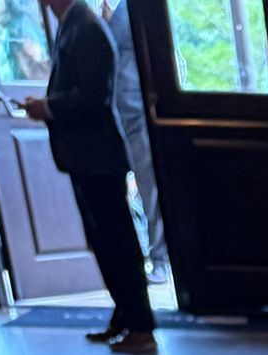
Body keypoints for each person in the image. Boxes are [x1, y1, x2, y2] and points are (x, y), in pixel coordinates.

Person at [23, 0, 155, 352]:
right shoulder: (73, 24)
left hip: (98, 156)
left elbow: (93, 95)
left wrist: (47, 107)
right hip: (84, 157)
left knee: (118, 243)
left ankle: (141, 326)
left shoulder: (87, 27)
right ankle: (125, 316)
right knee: (104, 243)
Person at [105, 0, 165, 279]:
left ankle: (161, 259)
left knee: (149, 186)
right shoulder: (109, 10)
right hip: (116, 113)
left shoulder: (135, 8)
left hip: (137, 112)